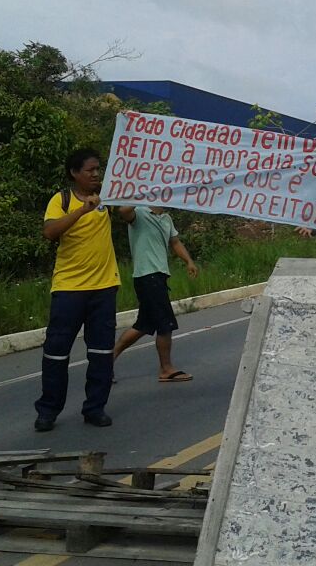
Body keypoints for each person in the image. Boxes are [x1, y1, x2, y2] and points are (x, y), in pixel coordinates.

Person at [35, 149, 119, 431]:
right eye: (90, 170)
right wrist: (82, 210)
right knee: (56, 352)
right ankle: (48, 410)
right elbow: (50, 232)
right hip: (69, 289)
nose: (96, 175)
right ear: (74, 173)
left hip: (104, 288)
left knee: (101, 353)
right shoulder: (62, 200)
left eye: (98, 169)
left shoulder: (109, 197)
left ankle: (95, 408)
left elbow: (130, 211)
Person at [111, 205, 199, 383]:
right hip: (146, 275)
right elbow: (123, 212)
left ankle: (104, 363)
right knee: (165, 324)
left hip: (158, 276)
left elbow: (175, 242)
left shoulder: (166, 218)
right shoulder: (140, 213)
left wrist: (188, 261)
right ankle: (166, 369)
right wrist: (142, 194)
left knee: (143, 326)